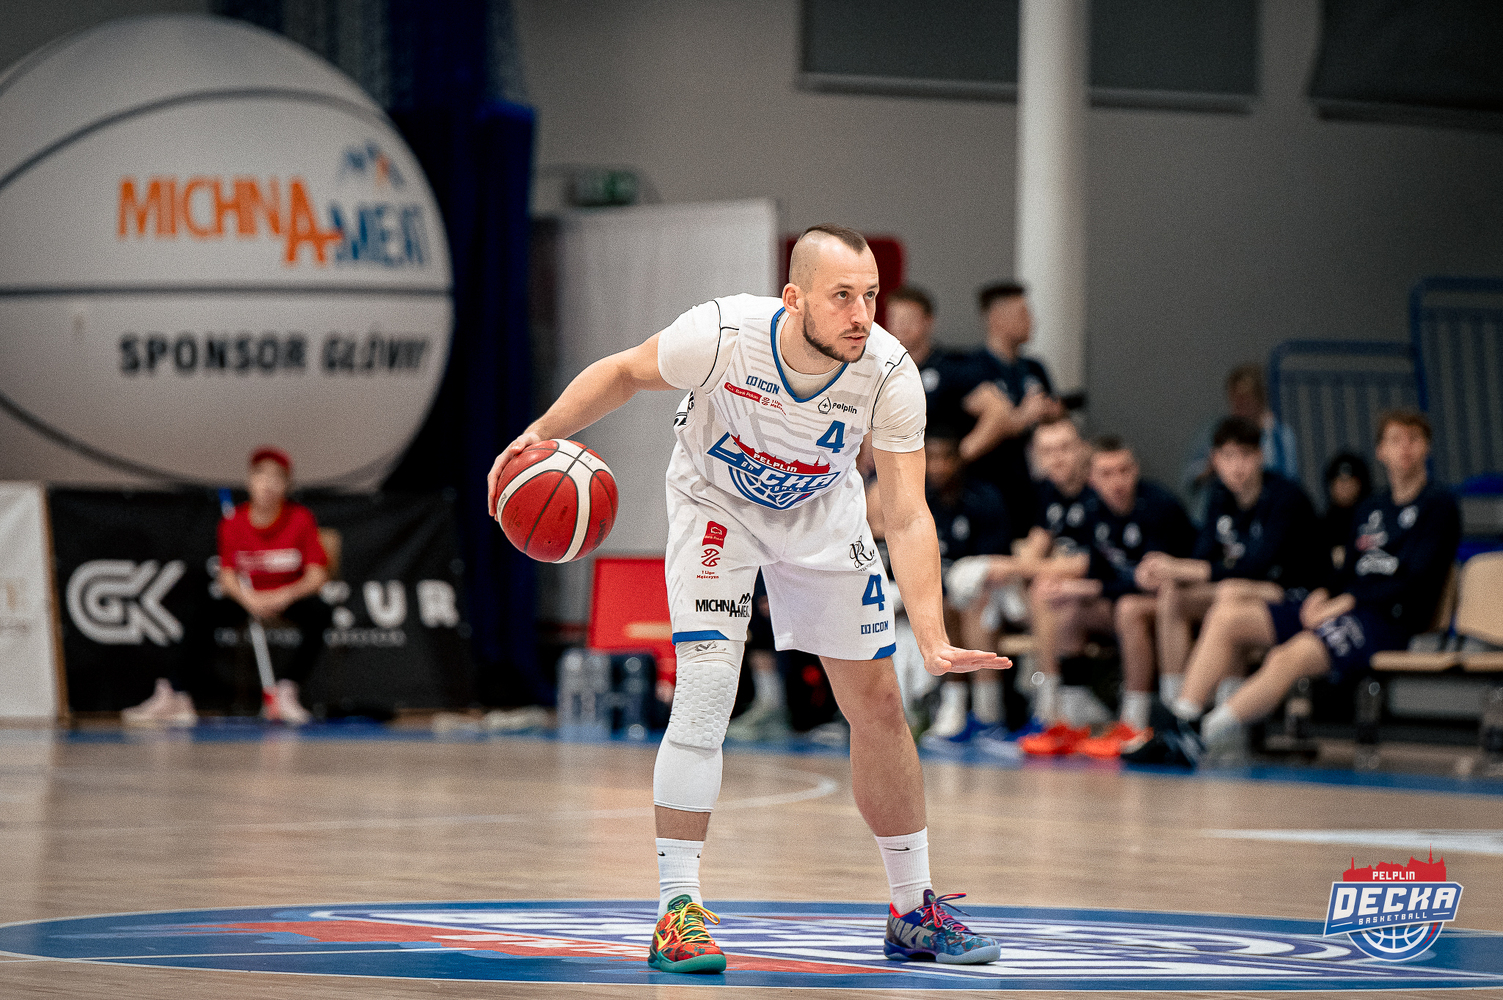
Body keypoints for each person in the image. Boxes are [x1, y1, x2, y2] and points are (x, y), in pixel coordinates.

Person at [486, 224, 1006, 973]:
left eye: (869, 296)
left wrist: (930, 632)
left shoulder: (889, 372)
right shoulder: (722, 334)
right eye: (841, 297)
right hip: (716, 509)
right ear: (793, 298)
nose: (861, 314)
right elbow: (625, 373)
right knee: (705, 691)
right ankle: (676, 912)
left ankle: (911, 909)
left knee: (880, 705)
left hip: (821, 515)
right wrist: (537, 434)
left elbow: (906, 512)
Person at [1142, 410, 1460, 766]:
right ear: (1380, 451)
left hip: (1388, 621)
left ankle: (1203, 735)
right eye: (1395, 440)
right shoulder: (1371, 507)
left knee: (1287, 657)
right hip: (1346, 606)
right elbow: (1345, 572)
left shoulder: (1439, 504)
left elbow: (1416, 581)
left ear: (1427, 448)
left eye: (1414, 439)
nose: (1405, 448)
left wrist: (1346, 600)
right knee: (1229, 617)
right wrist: (1323, 595)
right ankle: (1183, 718)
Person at [1102, 417, 1323, 758]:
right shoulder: (1220, 497)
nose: (1237, 466)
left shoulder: (1286, 497)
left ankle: (1197, 720)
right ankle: (1174, 709)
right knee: (1174, 593)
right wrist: (1163, 571)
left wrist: (1181, 567)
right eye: (1228, 457)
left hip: (1296, 596)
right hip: (1245, 593)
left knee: (1228, 595)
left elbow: (1259, 566)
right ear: (1215, 460)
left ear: (1260, 457)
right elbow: (1203, 555)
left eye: (1245, 455)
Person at [121, 447, 330, 727]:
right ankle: (177, 695)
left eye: (277, 477)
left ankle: (286, 692)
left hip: (286, 597)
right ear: (249, 480)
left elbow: (317, 576)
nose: (268, 484)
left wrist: (283, 595)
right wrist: (249, 599)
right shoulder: (233, 522)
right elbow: (227, 577)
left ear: (287, 485)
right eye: (261, 475)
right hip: (247, 597)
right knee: (201, 611)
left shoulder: (301, 518)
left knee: (321, 612)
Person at [1021, 436, 1194, 756]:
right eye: (1106, 473)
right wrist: (1071, 588)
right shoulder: (1094, 511)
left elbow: (1148, 580)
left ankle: (1135, 721)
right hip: (1123, 598)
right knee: (1069, 610)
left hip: (1179, 602)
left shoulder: (1159, 506)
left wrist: (1085, 587)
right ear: (1092, 479)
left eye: (1124, 471)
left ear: (1136, 470)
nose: (1117, 481)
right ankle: (1070, 720)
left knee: (1128, 608)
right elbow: (1101, 572)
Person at [920, 427, 1012, 742]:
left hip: (995, 593)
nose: (938, 467)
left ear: (960, 459)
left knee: (972, 601)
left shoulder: (984, 499)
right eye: (931, 458)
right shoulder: (920, 499)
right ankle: (953, 706)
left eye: (946, 458)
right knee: (939, 607)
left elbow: (995, 563)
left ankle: (988, 713)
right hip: (941, 595)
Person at [967, 282, 1066, 542]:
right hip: (989, 483)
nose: (1032, 320)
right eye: (1023, 313)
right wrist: (1024, 415)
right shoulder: (972, 369)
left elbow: (1052, 419)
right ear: (996, 319)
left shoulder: (1034, 368)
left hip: (1032, 483)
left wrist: (1052, 414)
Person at [883, 285, 1010, 468]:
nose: (900, 326)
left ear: (928, 321)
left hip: (936, 474)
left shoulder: (950, 368)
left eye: (908, 319)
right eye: (894, 319)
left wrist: (956, 459)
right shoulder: (881, 369)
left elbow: (998, 410)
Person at [1180, 363, 1299, 525]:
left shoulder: (1279, 435)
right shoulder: (1214, 431)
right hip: (1219, 515)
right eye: (1235, 402)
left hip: (1265, 515)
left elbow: (1289, 482)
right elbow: (1188, 479)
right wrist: (1209, 468)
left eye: (1246, 402)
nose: (1240, 410)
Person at [1320, 451, 1371, 572]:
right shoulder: (1322, 526)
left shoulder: (1373, 519)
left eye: (1350, 480)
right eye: (1339, 481)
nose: (1344, 486)